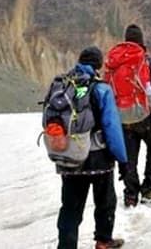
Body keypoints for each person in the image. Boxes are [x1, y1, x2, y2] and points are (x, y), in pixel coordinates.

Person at [56, 47, 128, 249]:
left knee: (70, 208)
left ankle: (66, 246)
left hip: (71, 158)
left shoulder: (64, 87)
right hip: (99, 159)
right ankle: (103, 241)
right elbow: (112, 128)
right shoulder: (101, 89)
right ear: (98, 66)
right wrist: (122, 160)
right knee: (105, 202)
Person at [119, 24, 151, 207]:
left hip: (123, 118)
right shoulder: (147, 61)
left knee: (129, 157)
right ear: (141, 41)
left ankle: (130, 194)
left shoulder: (115, 62)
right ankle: (148, 189)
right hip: (147, 117)